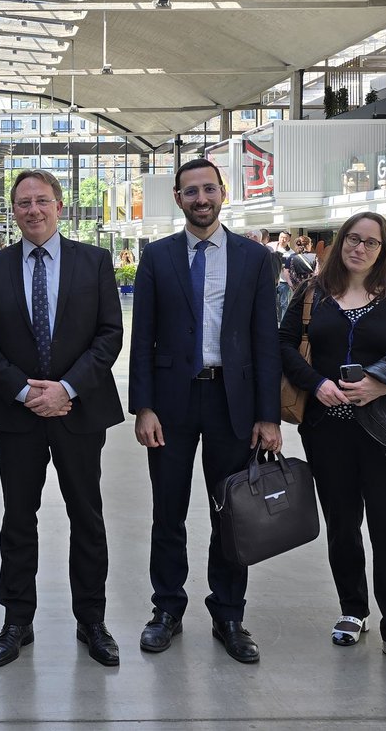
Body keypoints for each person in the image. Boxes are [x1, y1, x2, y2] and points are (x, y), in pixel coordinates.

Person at [128, 158, 282, 665]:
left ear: (223, 194)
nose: (201, 199)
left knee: (231, 514)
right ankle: (167, 609)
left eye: (209, 189)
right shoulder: (157, 256)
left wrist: (269, 416)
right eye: (190, 191)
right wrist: (144, 406)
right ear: (178, 198)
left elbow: (265, 341)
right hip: (171, 403)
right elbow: (143, 337)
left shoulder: (256, 260)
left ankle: (229, 615)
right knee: (166, 512)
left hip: (232, 403)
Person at [0, 169, 124, 668]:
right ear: (13, 211)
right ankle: (17, 621)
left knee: (88, 517)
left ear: (60, 205)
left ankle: (92, 620)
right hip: (19, 416)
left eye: (41, 200)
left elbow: (108, 335)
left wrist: (65, 389)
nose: (32, 210)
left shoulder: (95, 261)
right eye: (22, 203)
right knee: (18, 519)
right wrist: (24, 391)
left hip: (79, 410)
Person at [278, 210, 386, 680]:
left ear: (383, 250)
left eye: (371, 242)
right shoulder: (311, 293)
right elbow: (284, 346)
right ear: (339, 243)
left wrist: (380, 384)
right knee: (342, 524)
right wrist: (317, 382)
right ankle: (353, 609)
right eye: (352, 238)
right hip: (328, 431)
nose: (360, 248)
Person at [273, 231, 294, 321]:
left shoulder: (291, 253)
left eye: (285, 238)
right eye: (281, 237)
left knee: (284, 303)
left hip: (284, 282)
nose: (283, 240)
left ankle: (282, 324)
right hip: (272, 281)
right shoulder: (272, 248)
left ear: (289, 239)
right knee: (273, 304)